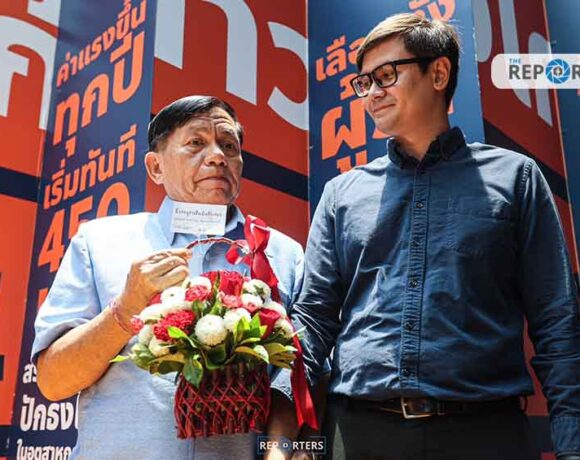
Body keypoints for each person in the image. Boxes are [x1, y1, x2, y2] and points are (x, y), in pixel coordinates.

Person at [268, 13, 580, 460]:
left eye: (386, 76)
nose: (372, 93)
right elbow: (314, 320)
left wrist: (572, 446)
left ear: (439, 73)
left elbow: (556, 320)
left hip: (485, 434)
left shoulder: (516, 178)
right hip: (357, 434)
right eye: (364, 83)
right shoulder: (341, 193)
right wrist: (283, 438)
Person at [32, 95, 305, 459]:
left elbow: (297, 379)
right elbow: (52, 381)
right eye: (195, 142)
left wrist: (281, 452)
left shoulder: (282, 255)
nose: (217, 156)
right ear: (156, 167)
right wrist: (125, 309)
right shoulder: (99, 242)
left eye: (229, 146)